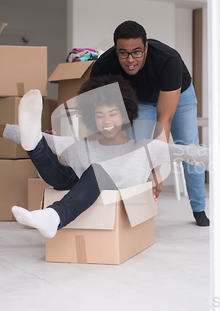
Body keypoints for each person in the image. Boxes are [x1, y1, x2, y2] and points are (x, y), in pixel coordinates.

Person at [0, 75, 210, 238]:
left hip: (116, 194)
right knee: (41, 144)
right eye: (99, 115)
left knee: (95, 171)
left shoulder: (145, 147)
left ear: (125, 114)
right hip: (75, 186)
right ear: (90, 119)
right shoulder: (80, 146)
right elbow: (17, 132)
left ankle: (53, 216)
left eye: (112, 113)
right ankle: (34, 145)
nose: (106, 121)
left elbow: (191, 153)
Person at [90, 20, 210, 226]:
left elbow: (164, 119)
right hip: (143, 100)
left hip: (180, 96)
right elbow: (96, 113)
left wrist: (157, 169)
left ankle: (199, 208)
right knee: (137, 149)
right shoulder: (104, 65)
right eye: (123, 53)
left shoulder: (168, 60)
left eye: (136, 52)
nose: (130, 60)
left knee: (188, 147)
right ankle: (137, 208)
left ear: (146, 47)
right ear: (115, 50)